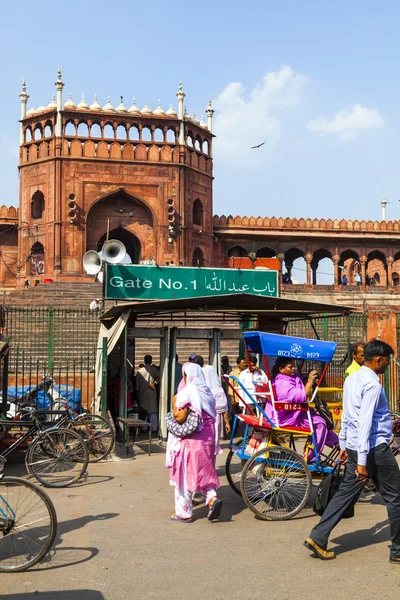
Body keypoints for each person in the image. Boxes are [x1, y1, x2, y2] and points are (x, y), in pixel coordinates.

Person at [304, 339, 400, 563]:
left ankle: (317, 536)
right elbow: (365, 423)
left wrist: (345, 445)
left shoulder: (352, 379)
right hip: (373, 449)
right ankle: (397, 551)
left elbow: (348, 416)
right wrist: (361, 463)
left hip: (357, 448)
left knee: (346, 493)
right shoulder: (373, 385)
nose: (388, 365)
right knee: (395, 497)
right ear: (378, 360)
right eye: (387, 360)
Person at [166, 363, 223, 523]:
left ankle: (184, 513)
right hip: (208, 440)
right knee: (205, 470)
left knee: (184, 475)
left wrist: (174, 402)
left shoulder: (188, 392)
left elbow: (180, 417)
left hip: (191, 441)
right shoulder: (207, 393)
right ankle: (212, 499)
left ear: (187, 376)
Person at [271, 357, 338, 461]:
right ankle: (310, 458)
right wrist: (310, 381)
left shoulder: (292, 378)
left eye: (294, 366)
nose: (293, 368)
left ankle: (338, 443)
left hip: (295, 412)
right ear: (281, 369)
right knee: (320, 424)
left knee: (322, 420)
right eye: (290, 367)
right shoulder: (283, 383)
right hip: (288, 416)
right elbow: (301, 396)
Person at [203, 364, 231, 453]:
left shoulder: (202, 389)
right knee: (214, 446)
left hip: (204, 421)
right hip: (216, 421)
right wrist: (227, 423)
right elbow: (224, 407)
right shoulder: (219, 390)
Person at [135, 355, 160, 432]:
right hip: (152, 392)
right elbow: (161, 377)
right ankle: (154, 428)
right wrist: (154, 383)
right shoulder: (154, 370)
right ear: (151, 361)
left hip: (142, 392)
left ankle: (144, 427)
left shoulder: (140, 371)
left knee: (143, 410)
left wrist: (137, 392)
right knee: (152, 411)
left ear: (144, 360)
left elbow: (137, 384)